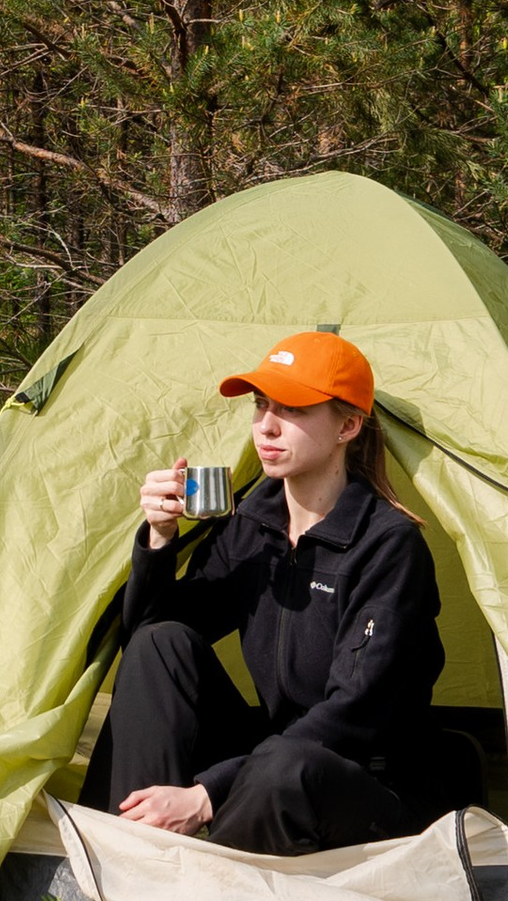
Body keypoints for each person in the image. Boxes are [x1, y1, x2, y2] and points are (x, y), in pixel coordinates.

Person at [84, 330, 479, 853]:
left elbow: (354, 716)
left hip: (366, 784)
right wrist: (159, 539)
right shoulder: (254, 523)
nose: (265, 426)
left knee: (285, 765)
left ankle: (201, 876)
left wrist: (206, 794)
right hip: (271, 758)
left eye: (292, 409)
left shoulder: (388, 547)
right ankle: (129, 856)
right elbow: (149, 637)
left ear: (348, 426)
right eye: (260, 405)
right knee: (160, 646)